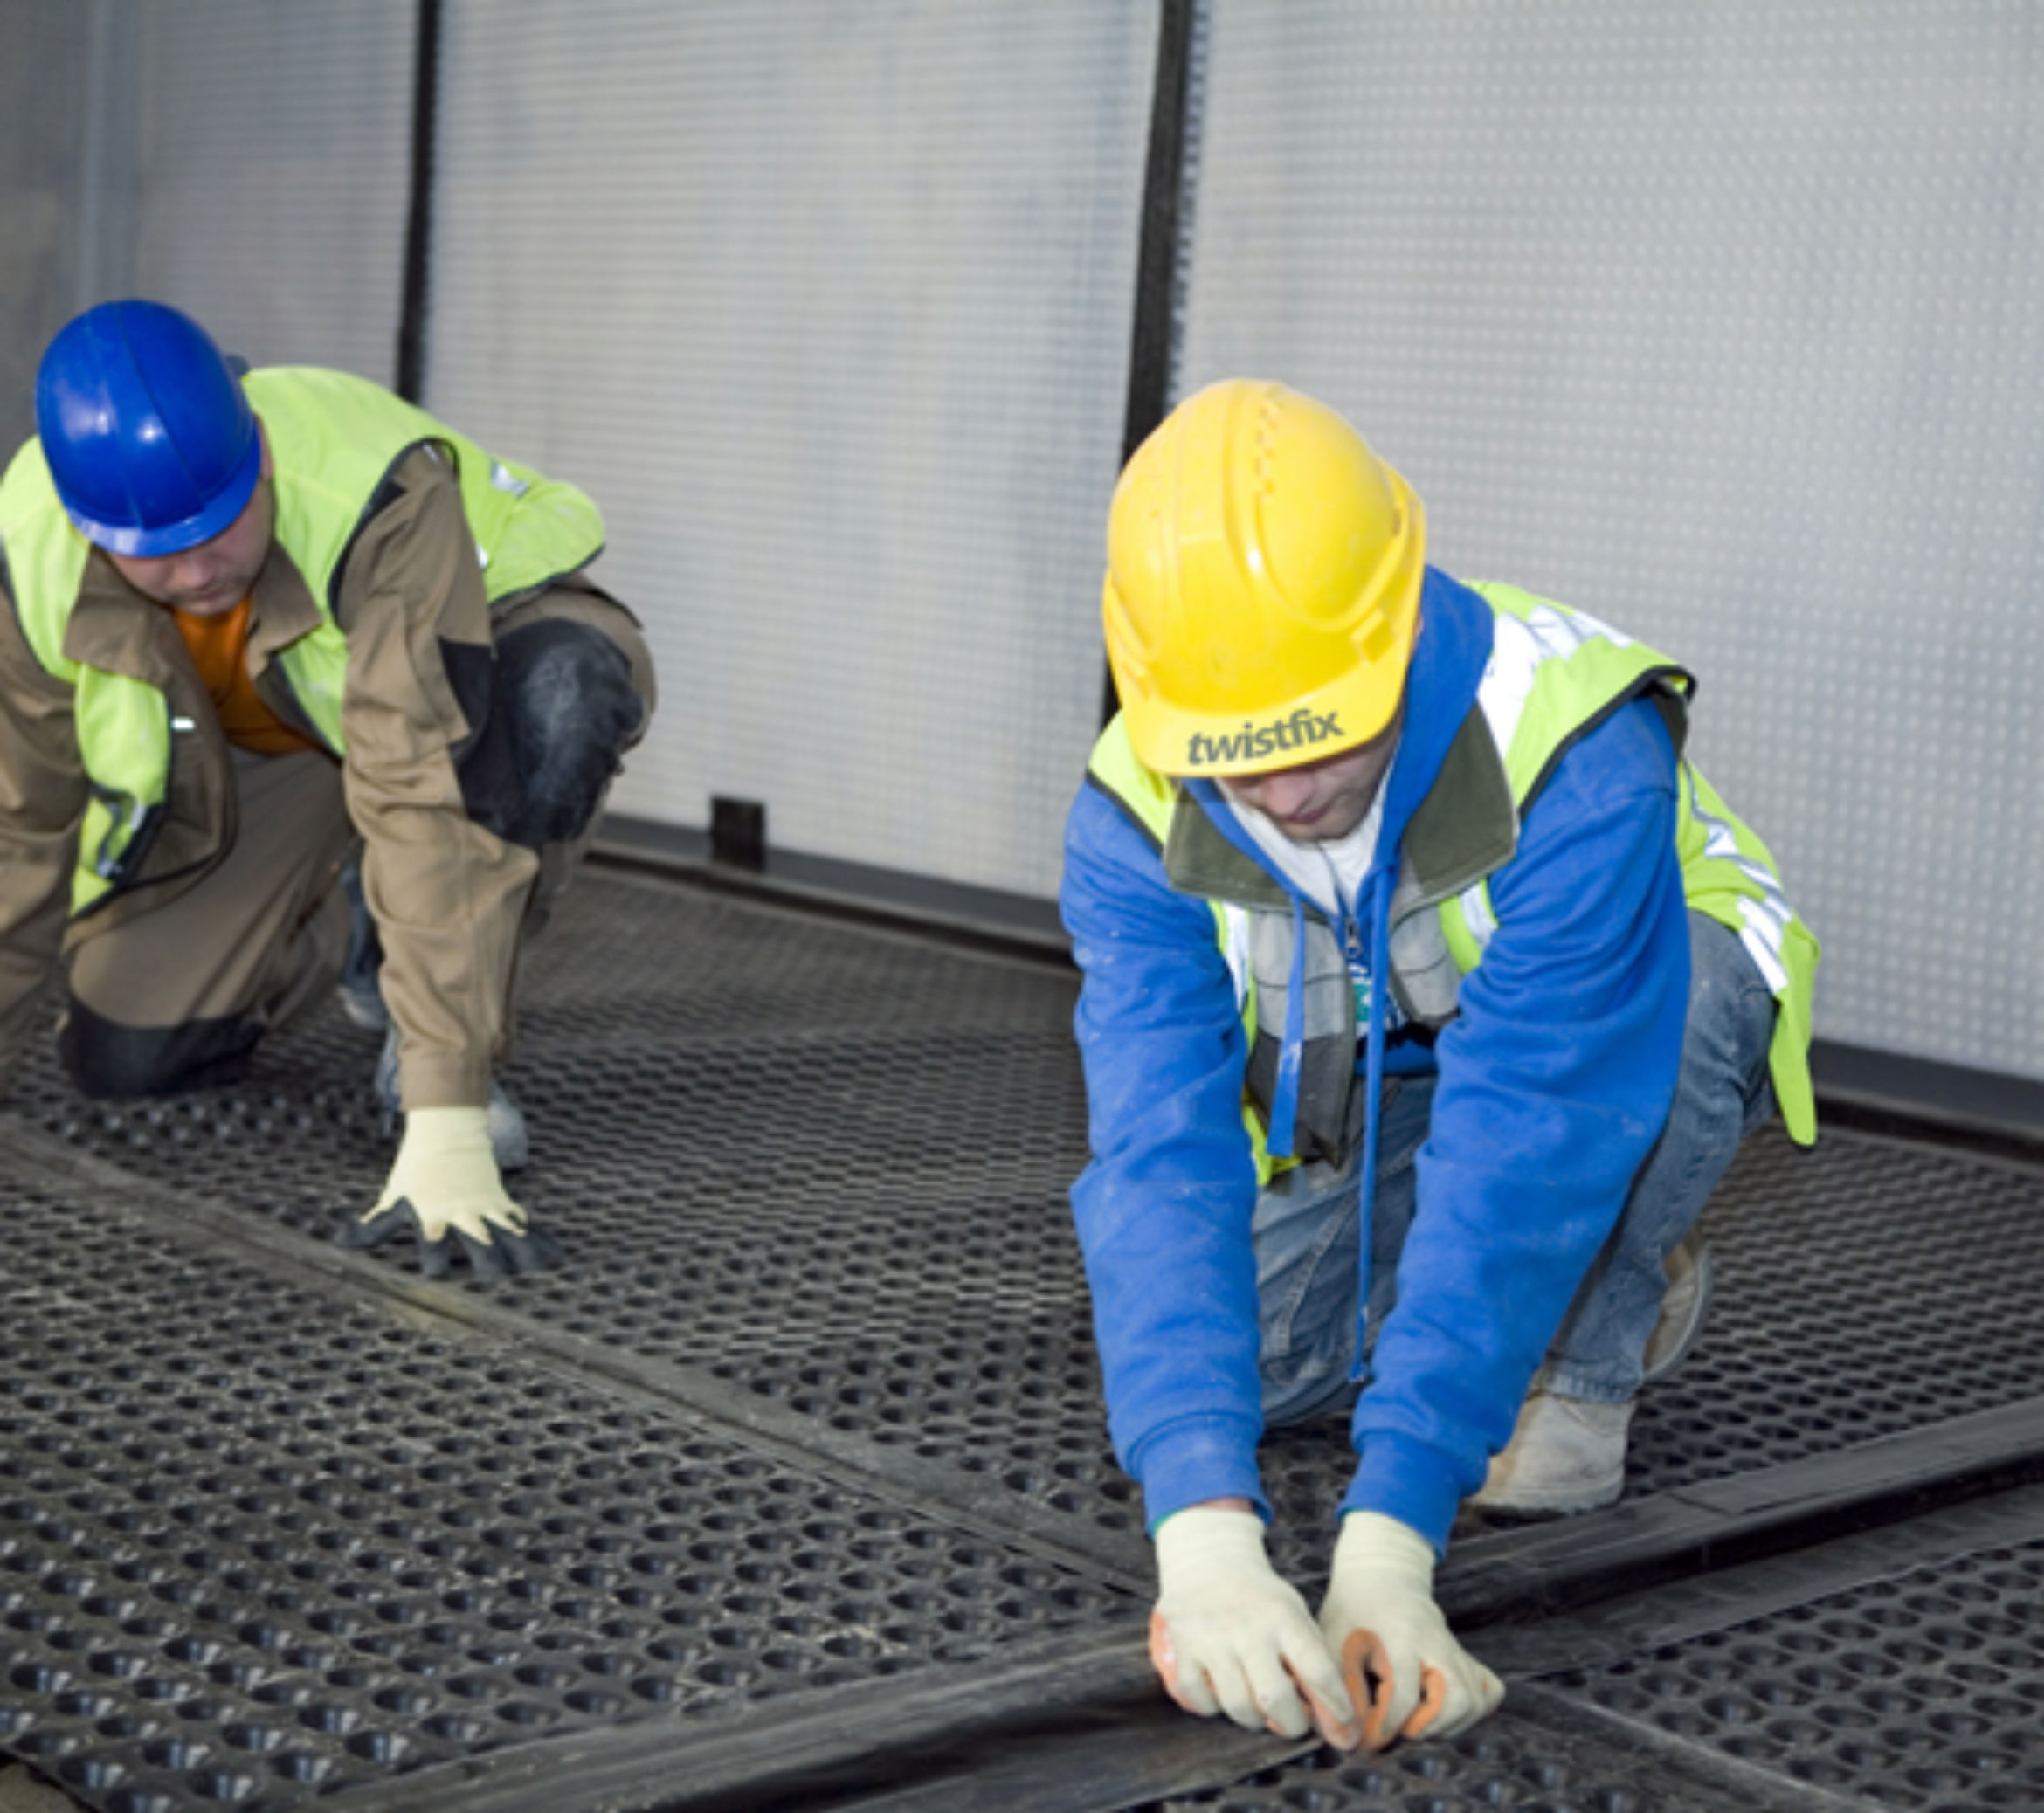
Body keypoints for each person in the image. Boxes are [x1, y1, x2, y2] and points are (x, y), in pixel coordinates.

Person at [1060, 380, 1817, 1752]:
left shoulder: (1576, 751)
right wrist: (1203, 1535)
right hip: (1390, 1074)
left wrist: (1388, 1546)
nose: (1288, 798)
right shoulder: (1132, 809)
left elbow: (1535, 1120)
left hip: (1611, 1033)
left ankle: (1590, 1336)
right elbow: (1158, 1152)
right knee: (1268, 1382)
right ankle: (1538, 1288)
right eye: (1244, 762)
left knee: (1673, 1026)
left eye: (1322, 732)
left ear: (1401, 619)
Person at [0, 300, 654, 1278]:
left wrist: (444, 1113)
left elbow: (417, 780)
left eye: (218, 526)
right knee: (125, 1057)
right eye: (153, 552)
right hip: (291, 739)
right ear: (89, 526)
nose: (193, 570)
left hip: (472, 686)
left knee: (561, 700)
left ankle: (440, 1027)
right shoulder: (31, 547)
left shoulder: (375, 491)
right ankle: (359, 934)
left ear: (258, 456)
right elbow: (20, 828)